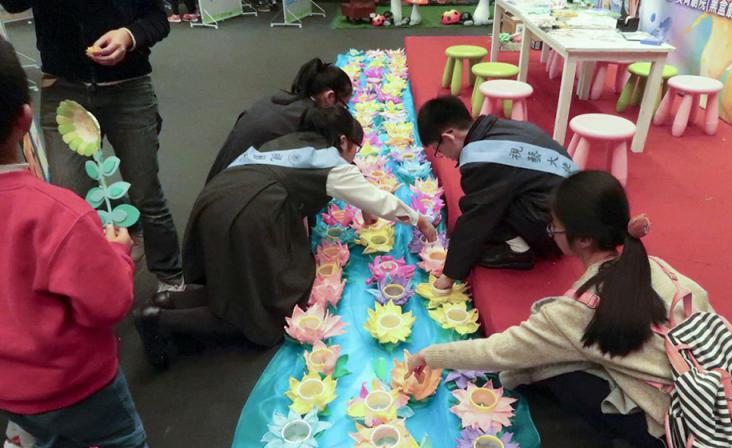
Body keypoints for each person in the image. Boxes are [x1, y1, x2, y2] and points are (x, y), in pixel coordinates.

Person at [408, 170, 713, 448]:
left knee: (554, 369)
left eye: (554, 226)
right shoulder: (658, 267)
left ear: (583, 239)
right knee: (556, 356)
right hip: (716, 401)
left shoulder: (578, 310)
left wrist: (429, 356)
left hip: (688, 433)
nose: (551, 233)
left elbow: (499, 351)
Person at [0, 37, 175, 448]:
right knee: (121, 437)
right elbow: (109, 303)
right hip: (76, 378)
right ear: (25, 118)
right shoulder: (56, 212)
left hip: (12, 389)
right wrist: (117, 252)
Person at [135, 106, 438, 368]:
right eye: (354, 151)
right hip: (248, 214)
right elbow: (377, 199)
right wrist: (420, 220)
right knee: (265, 307)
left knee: (237, 282)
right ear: (343, 140)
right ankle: (162, 321)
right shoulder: (331, 162)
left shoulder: (295, 140)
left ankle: (170, 300)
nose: (353, 159)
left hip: (217, 198)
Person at [0, 0, 185, 293]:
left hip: (129, 90)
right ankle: (92, 284)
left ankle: (170, 276)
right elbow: (13, 4)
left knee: (145, 192)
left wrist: (128, 36)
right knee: (70, 198)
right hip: (63, 88)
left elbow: (157, 19)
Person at [416, 96, 576, 292]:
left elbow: (476, 217)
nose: (443, 156)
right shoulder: (497, 128)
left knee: (484, 207)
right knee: (490, 198)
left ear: (448, 137)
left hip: (556, 233)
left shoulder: (482, 160)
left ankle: (519, 250)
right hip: (569, 209)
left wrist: (448, 276)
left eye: (437, 149)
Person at [206, 57, 353, 182]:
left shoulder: (276, 101)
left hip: (216, 183)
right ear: (329, 97)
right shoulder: (304, 122)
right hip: (239, 190)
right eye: (344, 106)